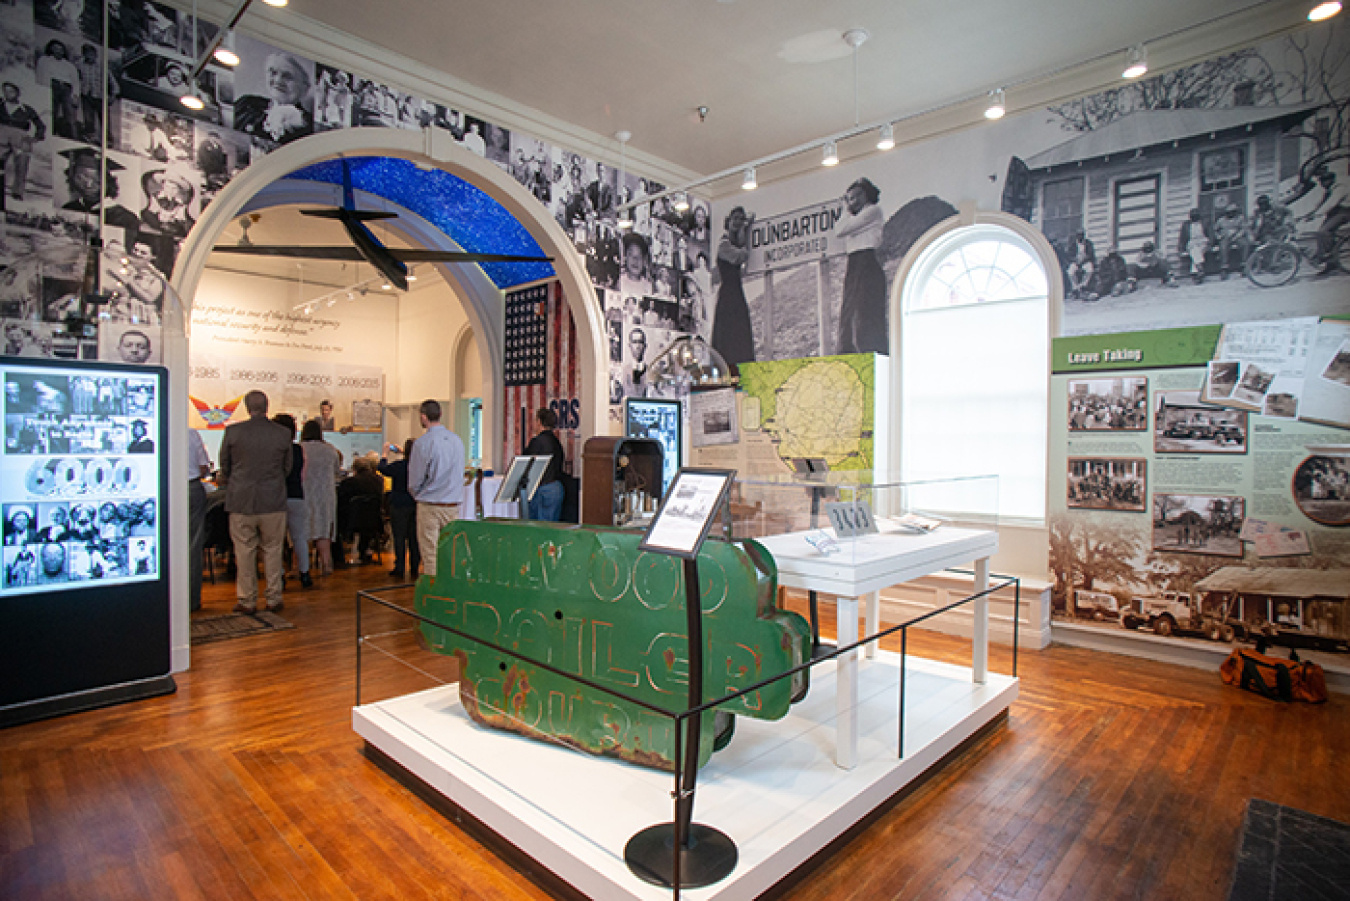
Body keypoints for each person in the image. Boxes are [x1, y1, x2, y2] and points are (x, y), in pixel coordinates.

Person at [218, 390, 293, 615]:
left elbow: (225, 467)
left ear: (246, 407)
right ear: (267, 406)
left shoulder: (233, 432)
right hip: (273, 500)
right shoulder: (282, 434)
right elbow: (287, 468)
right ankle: (274, 598)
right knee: (273, 550)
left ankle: (247, 600)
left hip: (241, 501)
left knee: (244, 551)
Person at [408, 399, 465, 578]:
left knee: (430, 554)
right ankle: (450, 593)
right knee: (450, 554)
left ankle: (434, 596)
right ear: (440, 414)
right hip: (452, 505)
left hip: (430, 505)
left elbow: (415, 480)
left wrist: (419, 494)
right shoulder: (457, 441)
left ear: (423, 417)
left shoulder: (422, 443)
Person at [835, 178, 888, 353]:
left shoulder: (873, 211)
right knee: (850, 310)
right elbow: (840, 230)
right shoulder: (857, 217)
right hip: (854, 263)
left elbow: (841, 230)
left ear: (866, 195)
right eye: (850, 198)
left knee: (865, 309)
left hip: (866, 261)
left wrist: (845, 210)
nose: (854, 201)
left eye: (857, 196)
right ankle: (849, 350)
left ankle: (870, 350)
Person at [711, 206, 756, 370]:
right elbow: (740, 256)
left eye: (741, 219)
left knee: (740, 334)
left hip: (736, 294)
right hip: (728, 295)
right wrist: (748, 231)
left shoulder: (733, 243)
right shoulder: (724, 245)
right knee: (728, 335)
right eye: (735, 218)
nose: (737, 222)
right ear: (728, 221)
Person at [234, 53, 314, 145]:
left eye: (287, 76)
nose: (278, 80)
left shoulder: (308, 126)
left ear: (304, 88)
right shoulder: (246, 102)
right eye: (273, 73)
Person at [273, 414, 311, 589]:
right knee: (299, 537)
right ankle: (305, 573)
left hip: (278, 497)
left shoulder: (274, 449)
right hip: (297, 495)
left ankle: (280, 575)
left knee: (276, 540)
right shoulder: (297, 449)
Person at [300, 418, 340, 575]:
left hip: (305, 493)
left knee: (302, 531)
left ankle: (301, 567)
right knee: (324, 530)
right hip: (326, 495)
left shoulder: (300, 449)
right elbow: (337, 471)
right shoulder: (330, 450)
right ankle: (326, 564)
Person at [378, 439, 420, 579]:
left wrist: (385, 453)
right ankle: (415, 566)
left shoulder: (399, 466)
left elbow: (382, 468)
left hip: (399, 504)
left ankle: (400, 566)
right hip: (415, 503)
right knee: (414, 537)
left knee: (399, 536)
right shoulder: (419, 467)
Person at [0, 82, 46, 201]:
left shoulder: (26, 109)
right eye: (5, 91)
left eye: (11, 91)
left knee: (22, 162)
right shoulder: (1, 104)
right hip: (1, 133)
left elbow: (40, 125)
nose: (7, 94)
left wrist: (36, 137)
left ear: (17, 93)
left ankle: (18, 192)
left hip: (20, 137)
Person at [336, 456, 384, 564]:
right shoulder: (378, 481)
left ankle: (338, 557)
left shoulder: (349, 483)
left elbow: (341, 501)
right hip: (374, 520)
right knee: (365, 516)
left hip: (351, 521)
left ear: (354, 469)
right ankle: (364, 550)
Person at [1305, 166, 1349, 276]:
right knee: (1320, 234)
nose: (1321, 184)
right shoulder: (1329, 190)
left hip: (1345, 212)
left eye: (1323, 182)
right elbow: (1321, 203)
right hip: (1335, 212)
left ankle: (1328, 255)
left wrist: (1317, 214)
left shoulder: (1340, 188)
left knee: (1323, 232)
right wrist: (1310, 213)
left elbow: (1331, 203)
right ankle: (1331, 264)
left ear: (1330, 180)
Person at [523, 408, 566, 522]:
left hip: (541, 488)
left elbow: (526, 462)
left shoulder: (536, 442)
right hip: (556, 487)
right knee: (552, 528)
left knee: (538, 530)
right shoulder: (557, 443)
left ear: (539, 422)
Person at [36, 39, 81, 140]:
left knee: (70, 113)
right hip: (51, 86)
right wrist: (41, 91)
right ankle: (50, 134)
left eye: (61, 49)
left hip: (66, 88)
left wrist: (75, 95)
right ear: (51, 49)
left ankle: (72, 137)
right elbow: (39, 76)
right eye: (55, 49)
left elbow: (75, 81)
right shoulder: (44, 60)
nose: (58, 51)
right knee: (52, 112)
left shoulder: (69, 65)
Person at [187, 426, 211, 612]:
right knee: (193, 546)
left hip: (163, 488)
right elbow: (203, 467)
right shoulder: (191, 434)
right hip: (191, 487)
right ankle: (192, 599)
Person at [1213, 201, 1250, 280]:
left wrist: (1237, 236)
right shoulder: (1221, 220)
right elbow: (1215, 230)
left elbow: (1243, 229)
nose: (1230, 214)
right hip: (1225, 237)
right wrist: (1218, 236)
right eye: (1228, 212)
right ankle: (1224, 267)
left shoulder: (1240, 218)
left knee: (1244, 244)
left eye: (1232, 212)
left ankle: (1244, 265)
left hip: (1237, 236)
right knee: (1223, 247)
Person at [1177, 207, 1212, 283]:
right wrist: (1180, 248)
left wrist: (1210, 244)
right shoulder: (1186, 225)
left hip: (1203, 241)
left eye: (1196, 216)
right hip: (1192, 242)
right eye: (1193, 217)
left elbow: (1210, 235)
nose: (1194, 218)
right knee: (1194, 249)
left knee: (1196, 251)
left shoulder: (1205, 223)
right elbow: (1182, 238)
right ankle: (1199, 268)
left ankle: (1195, 272)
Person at [1063, 231, 1096, 300]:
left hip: (1085, 262)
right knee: (1070, 271)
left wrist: (1084, 258)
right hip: (1076, 262)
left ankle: (1083, 285)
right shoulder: (1073, 245)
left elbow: (1091, 254)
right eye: (1078, 235)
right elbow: (1069, 255)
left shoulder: (1088, 244)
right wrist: (1075, 260)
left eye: (1081, 235)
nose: (1080, 237)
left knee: (1090, 269)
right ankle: (1075, 288)